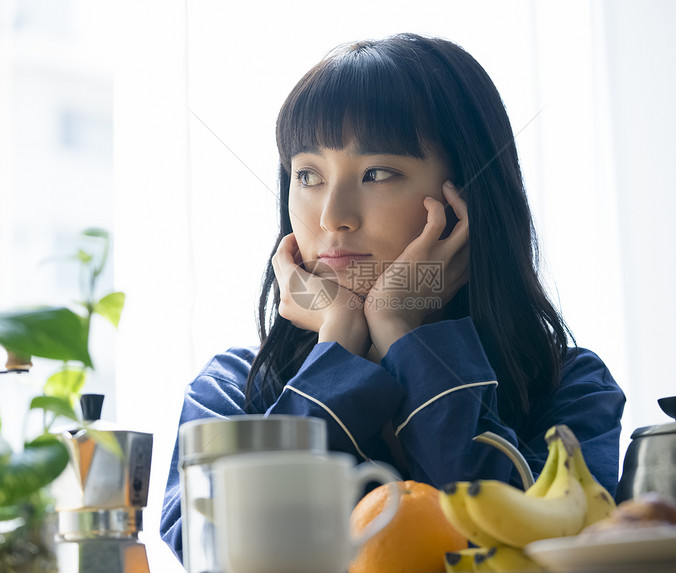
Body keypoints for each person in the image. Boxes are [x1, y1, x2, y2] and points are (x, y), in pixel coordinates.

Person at [161, 33, 624, 561]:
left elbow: (532, 546)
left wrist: (400, 328)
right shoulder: (228, 391)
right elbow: (219, 552)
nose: (333, 214)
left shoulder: (572, 387)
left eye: (378, 173)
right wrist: (337, 338)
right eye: (307, 174)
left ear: (464, 199)